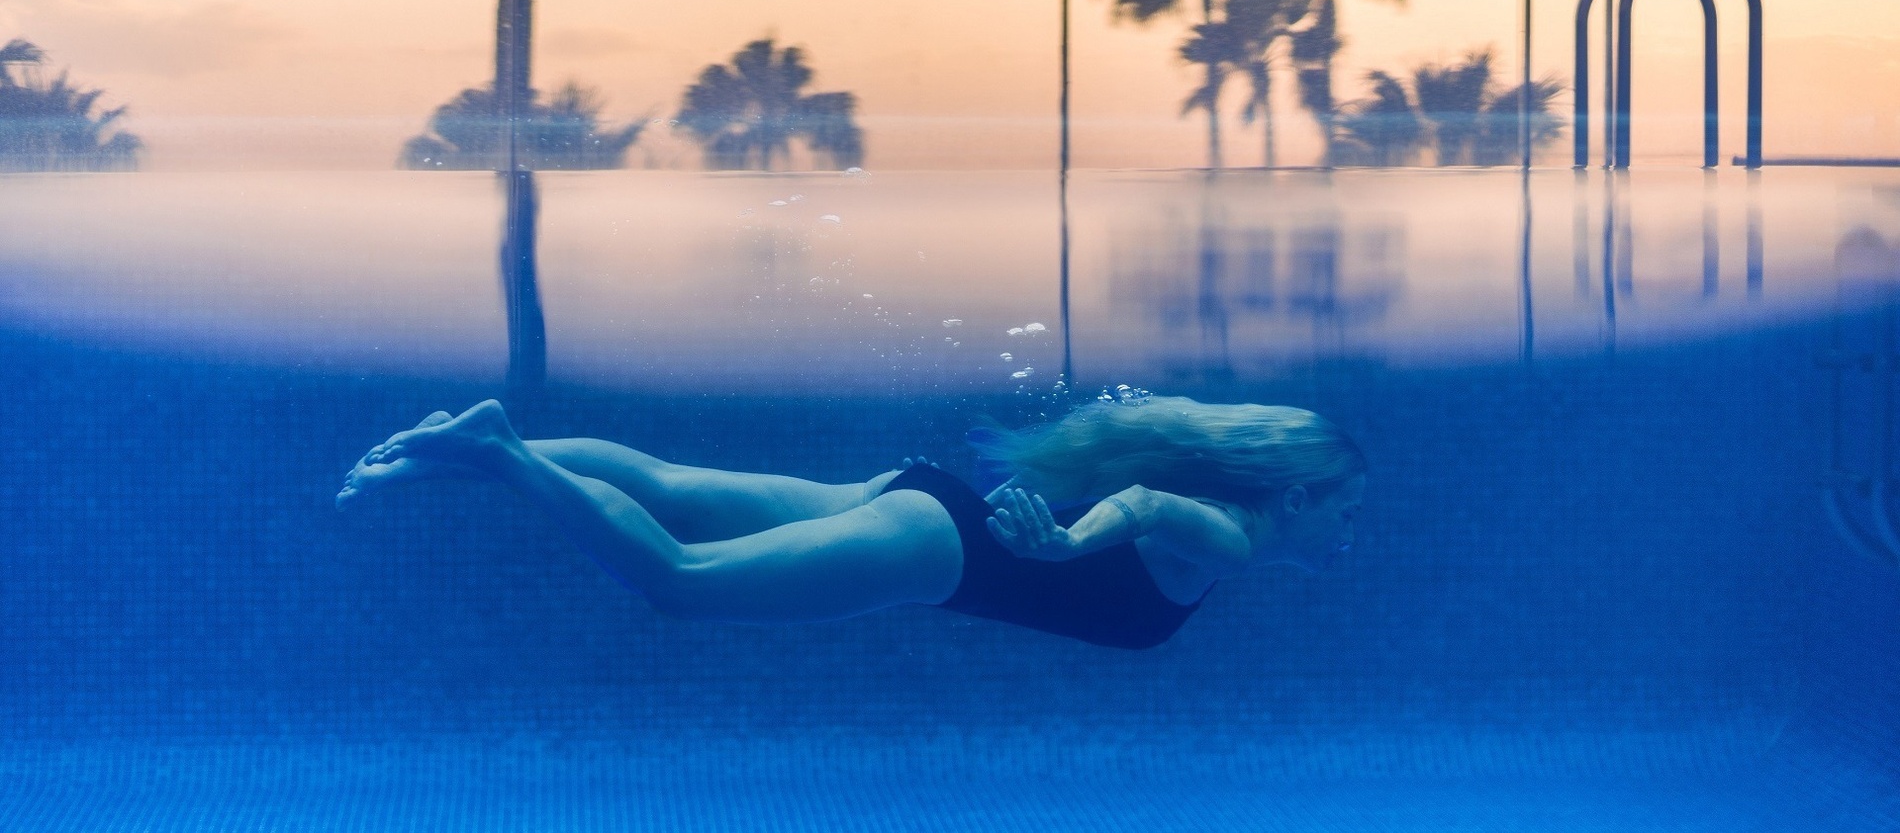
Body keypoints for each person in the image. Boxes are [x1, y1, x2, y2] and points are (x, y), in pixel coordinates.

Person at [336, 396, 1365, 649]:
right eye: (1344, 508)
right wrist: (1067, 544)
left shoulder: (1240, 522)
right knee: (678, 577)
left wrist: (1068, 538)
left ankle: (435, 451)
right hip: (936, 547)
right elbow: (1143, 504)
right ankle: (495, 451)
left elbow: (1148, 500)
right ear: (1294, 497)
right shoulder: (1239, 535)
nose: (1351, 530)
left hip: (922, 503)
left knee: (675, 482)